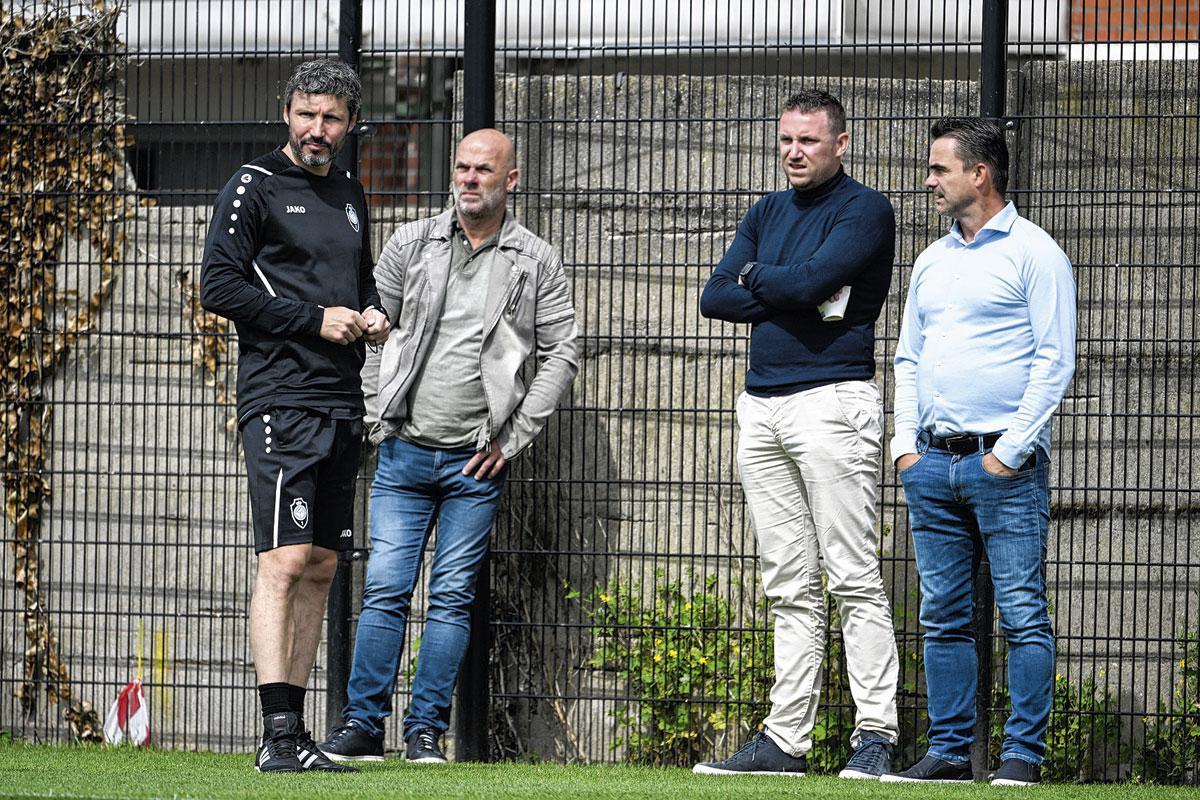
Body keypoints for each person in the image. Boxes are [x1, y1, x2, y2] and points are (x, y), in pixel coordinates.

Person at [318, 128, 579, 764]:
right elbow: (368, 325)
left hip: (474, 462)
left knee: (453, 597)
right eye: (461, 167)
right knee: (383, 589)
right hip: (403, 453)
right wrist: (380, 415)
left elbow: (562, 352)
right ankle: (361, 727)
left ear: (509, 181)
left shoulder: (536, 261)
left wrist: (513, 439)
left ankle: (424, 732)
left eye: (482, 170)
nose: (467, 178)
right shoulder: (412, 243)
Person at [696, 89, 900, 779]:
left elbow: (819, 277)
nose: (793, 152)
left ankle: (877, 735)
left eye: (808, 141)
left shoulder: (865, 209)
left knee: (852, 577)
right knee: (787, 582)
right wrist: (792, 289)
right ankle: (787, 740)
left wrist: (777, 280)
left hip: (833, 403)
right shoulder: (766, 210)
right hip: (761, 407)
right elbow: (714, 294)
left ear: (840, 143)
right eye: (786, 139)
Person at [200, 58, 390, 773]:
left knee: (321, 566)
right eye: (307, 114)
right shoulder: (253, 185)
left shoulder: (348, 192)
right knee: (283, 560)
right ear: (288, 114)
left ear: (347, 125)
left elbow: (359, 279)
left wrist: (373, 314)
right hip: (281, 397)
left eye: (332, 118)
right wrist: (313, 321)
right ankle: (276, 735)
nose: (318, 129)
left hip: (342, 400)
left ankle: (297, 735)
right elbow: (217, 283)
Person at [883, 117, 1076, 787]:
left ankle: (1022, 756)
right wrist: (906, 446)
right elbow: (909, 357)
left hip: (1005, 467)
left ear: (979, 175)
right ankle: (948, 753)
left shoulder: (1035, 253)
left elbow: (1054, 361)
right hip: (932, 465)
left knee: (1022, 612)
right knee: (942, 615)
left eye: (940, 169)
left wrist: (1011, 451)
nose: (930, 180)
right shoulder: (932, 260)